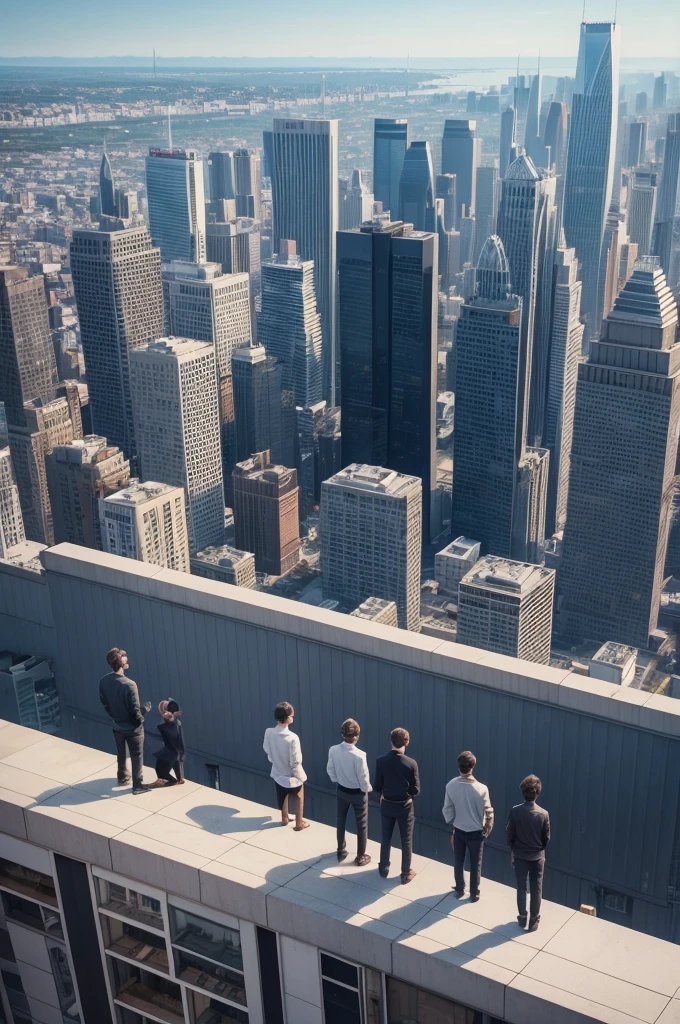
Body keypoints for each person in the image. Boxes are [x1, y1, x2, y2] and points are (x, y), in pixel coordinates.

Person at [442, 750, 494, 902]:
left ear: (459, 767)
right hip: (476, 833)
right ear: (473, 766)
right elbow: (489, 812)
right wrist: (486, 829)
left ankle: (459, 888)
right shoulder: (482, 789)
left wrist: (452, 822)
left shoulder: (450, 785)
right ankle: (474, 892)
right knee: (475, 863)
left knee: (459, 860)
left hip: (459, 830)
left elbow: (447, 809)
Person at [98, 647, 152, 794]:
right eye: (124, 657)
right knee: (137, 755)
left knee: (121, 752)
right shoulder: (130, 684)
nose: (126, 658)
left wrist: (115, 715)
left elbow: (105, 703)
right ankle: (138, 785)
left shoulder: (104, 681)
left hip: (117, 724)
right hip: (132, 728)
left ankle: (122, 776)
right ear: (121, 663)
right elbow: (135, 712)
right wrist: (144, 712)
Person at [374, 727, 420, 884]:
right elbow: (416, 790)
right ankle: (405, 873)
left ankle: (383, 868)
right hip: (404, 806)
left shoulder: (380, 761)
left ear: (391, 741)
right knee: (406, 839)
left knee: (385, 837)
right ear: (407, 742)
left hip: (387, 804)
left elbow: (377, 786)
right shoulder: (411, 763)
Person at [506, 774, 551, 931]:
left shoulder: (515, 811)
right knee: (536, 888)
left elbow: (510, 834)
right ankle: (534, 920)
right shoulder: (544, 814)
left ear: (523, 792)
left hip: (519, 855)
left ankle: (522, 917)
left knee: (521, 887)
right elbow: (546, 838)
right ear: (537, 792)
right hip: (537, 856)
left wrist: (513, 849)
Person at [327, 719, 372, 866]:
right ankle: (360, 856)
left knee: (341, 820)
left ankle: (341, 849)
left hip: (341, 790)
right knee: (362, 824)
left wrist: (337, 780)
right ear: (357, 736)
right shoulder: (360, 755)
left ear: (342, 734)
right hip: (358, 794)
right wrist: (367, 790)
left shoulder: (333, 750)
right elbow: (363, 778)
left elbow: (330, 770)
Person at [263, 702, 309, 830]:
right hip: (291, 777)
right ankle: (299, 823)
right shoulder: (293, 738)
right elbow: (296, 761)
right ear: (287, 718)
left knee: (281, 795)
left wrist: (275, 761)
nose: (293, 717)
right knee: (300, 797)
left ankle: (284, 818)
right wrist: (301, 777)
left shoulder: (269, 732)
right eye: (292, 715)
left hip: (278, 774)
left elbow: (267, 749)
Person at [152, 700, 186, 787]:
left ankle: (171, 780)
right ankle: (178, 778)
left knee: (161, 770)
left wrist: (171, 717)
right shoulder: (175, 723)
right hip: (172, 750)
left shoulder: (167, 725)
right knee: (173, 760)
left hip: (170, 751)